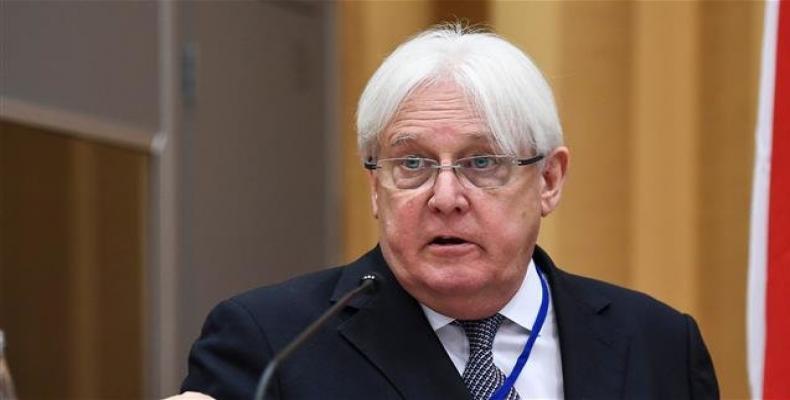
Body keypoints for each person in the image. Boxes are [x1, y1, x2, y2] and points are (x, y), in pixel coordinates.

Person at [181, 24, 719, 400]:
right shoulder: (273, 343)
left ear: (549, 180)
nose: (444, 197)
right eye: (411, 163)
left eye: (481, 162)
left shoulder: (658, 344)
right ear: (375, 186)